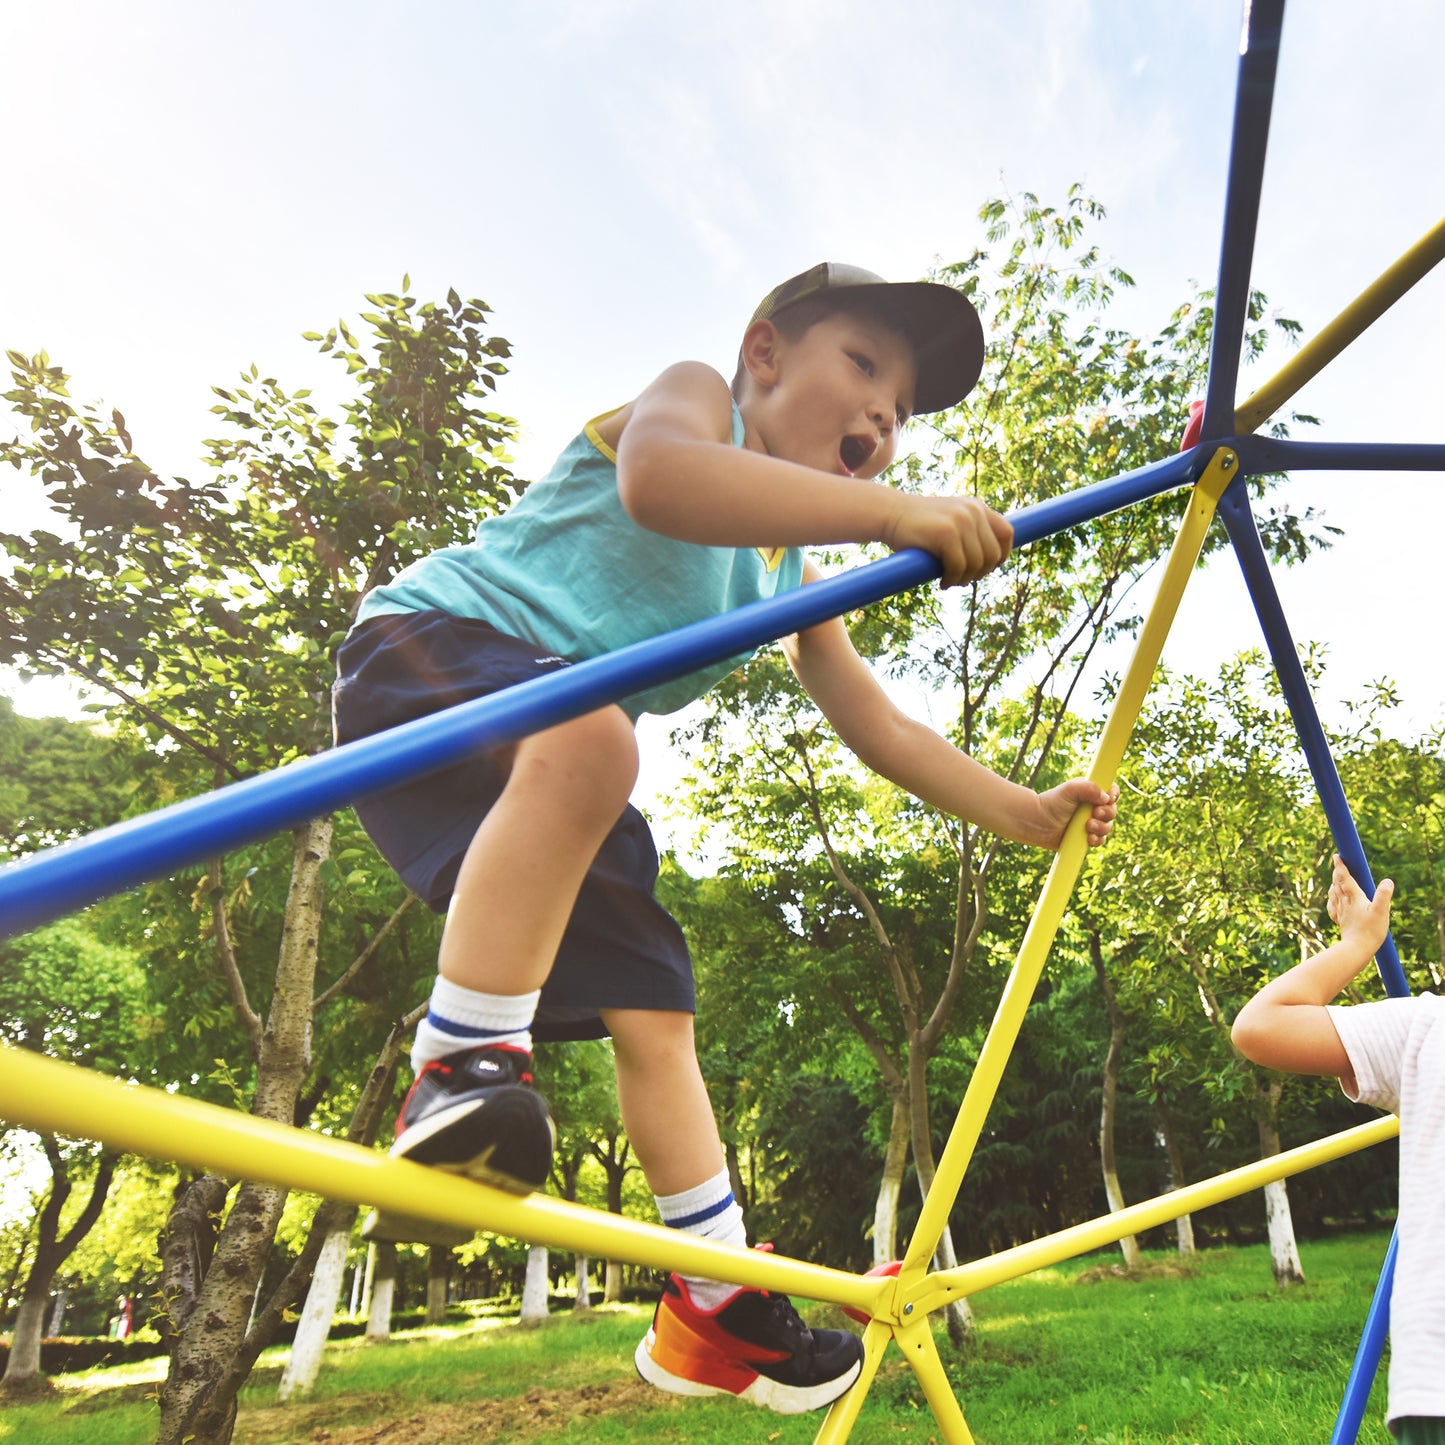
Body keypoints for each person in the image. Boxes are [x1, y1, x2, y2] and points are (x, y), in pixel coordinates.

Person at [333, 261, 1120, 1415]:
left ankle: (709, 1294)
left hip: (552, 761)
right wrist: (896, 516)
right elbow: (660, 485)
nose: (876, 418)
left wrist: (1018, 808)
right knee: (600, 742)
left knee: (658, 1000)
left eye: (897, 414)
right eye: (860, 369)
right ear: (763, 354)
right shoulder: (695, 398)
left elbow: (876, 722)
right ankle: (456, 1071)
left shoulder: (785, 571)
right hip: (436, 652)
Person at [1232, 855, 1444, 1443]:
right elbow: (1260, 1027)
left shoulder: (1429, 1028)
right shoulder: (1428, 1028)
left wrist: (1358, 943)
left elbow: (1260, 1026)